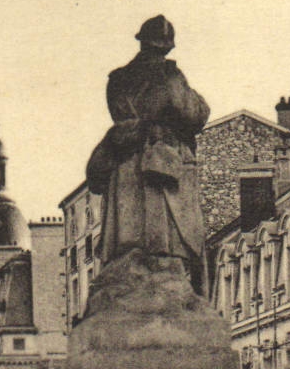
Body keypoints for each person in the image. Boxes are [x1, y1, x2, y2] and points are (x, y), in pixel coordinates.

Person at [85, 15, 211, 295]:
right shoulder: (169, 76)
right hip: (159, 162)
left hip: (125, 162)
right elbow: (194, 113)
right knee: (162, 238)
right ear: (165, 47)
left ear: (141, 42)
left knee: (128, 235)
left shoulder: (117, 79)